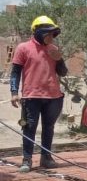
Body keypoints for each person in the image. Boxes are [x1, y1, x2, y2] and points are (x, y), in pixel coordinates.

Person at [9, 16, 67, 173]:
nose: (51, 37)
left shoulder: (54, 49)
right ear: (38, 32)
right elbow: (15, 73)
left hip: (53, 97)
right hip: (31, 96)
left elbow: (63, 72)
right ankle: (27, 159)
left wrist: (60, 60)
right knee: (29, 128)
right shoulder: (23, 48)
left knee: (49, 127)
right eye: (48, 34)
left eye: (53, 34)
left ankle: (46, 157)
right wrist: (14, 92)